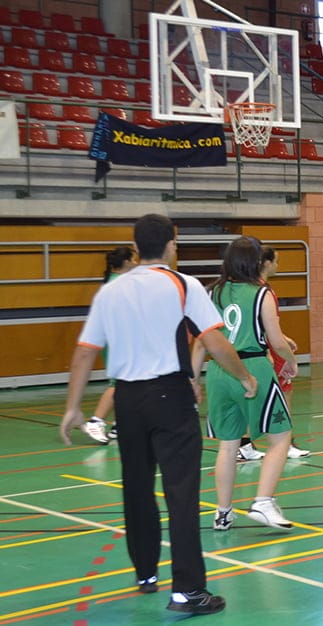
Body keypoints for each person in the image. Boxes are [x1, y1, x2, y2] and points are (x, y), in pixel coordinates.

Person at [61, 213, 256, 615]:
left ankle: (146, 572)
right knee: (181, 494)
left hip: (128, 401)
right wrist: (244, 376)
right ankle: (187, 590)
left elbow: (84, 352)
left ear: (136, 247)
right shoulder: (182, 284)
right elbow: (214, 340)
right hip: (170, 396)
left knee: (137, 489)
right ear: (171, 244)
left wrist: (72, 407)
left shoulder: (111, 291)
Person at [191, 236, 299, 532]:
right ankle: (263, 501)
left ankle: (223, 513)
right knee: (280, 438)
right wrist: (290, 360)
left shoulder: (212, 293)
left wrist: (193, 377)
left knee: (228, 445)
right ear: (254, 261)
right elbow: (275, 340)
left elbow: (202, 342)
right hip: (252, 368)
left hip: (218, 373)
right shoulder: (261, 293)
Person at [234, 245, 311, 461]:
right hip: (263, 350)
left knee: (256, 396)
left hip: (253, 348)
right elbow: (263, 328)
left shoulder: (245, 289)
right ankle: (284, 442)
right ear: (266, 263)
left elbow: (259, 323)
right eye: (276, 260)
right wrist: (279, 350)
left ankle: (245, 443)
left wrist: (284, 337)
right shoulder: (262, 292)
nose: (278, 265)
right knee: (283, 392)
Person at [81, 246, 137, 444]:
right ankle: (96, 421)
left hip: (115, 341)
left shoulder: (113, 284)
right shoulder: (121, 285)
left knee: (130, 385)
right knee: (119, 384)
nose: (137, 263)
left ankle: (119, 425)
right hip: (118, 341)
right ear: (127, 262)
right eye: (134, 259)